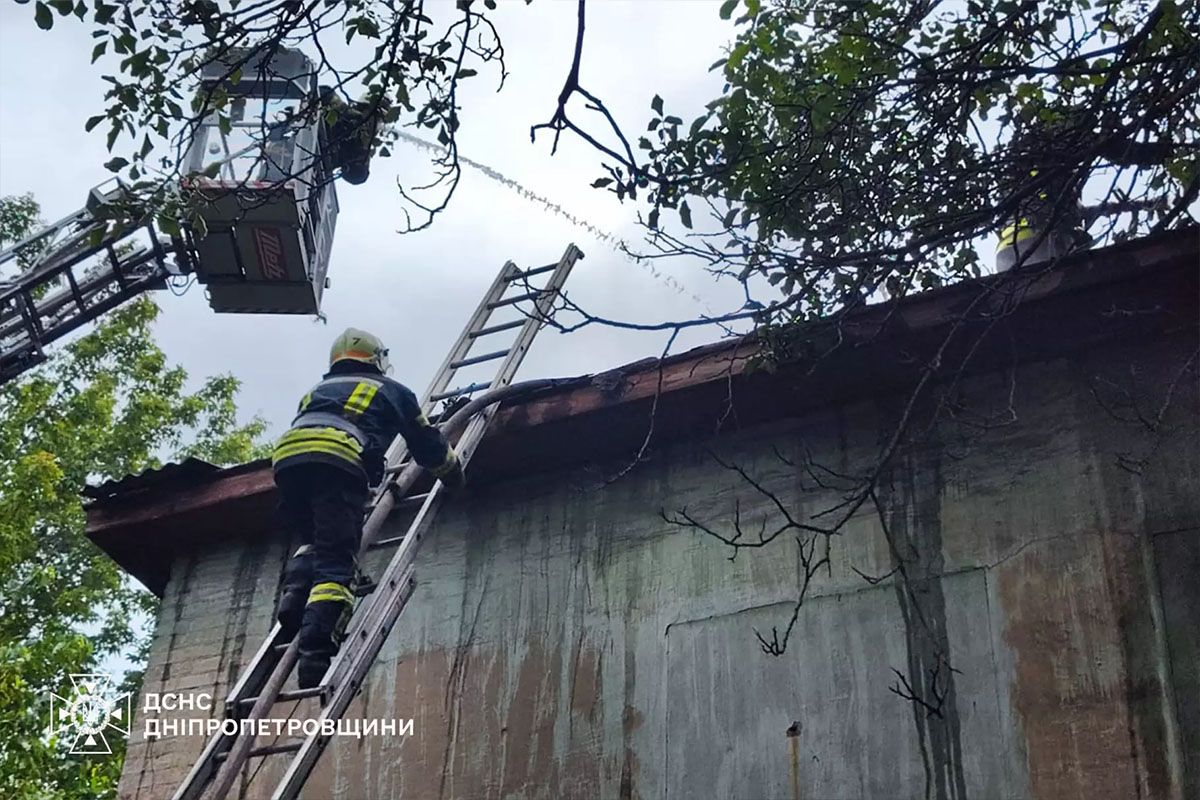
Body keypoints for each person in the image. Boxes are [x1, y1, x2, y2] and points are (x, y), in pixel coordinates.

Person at [271, 327, 464, 688]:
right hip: (338, 461)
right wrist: (452, 473)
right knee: (337, 563)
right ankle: (315, 652)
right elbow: (425, 443)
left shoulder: (317, 390)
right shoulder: (392, 390)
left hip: (287, 462)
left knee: (315, 538)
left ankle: (295, 597)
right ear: (377, 359)